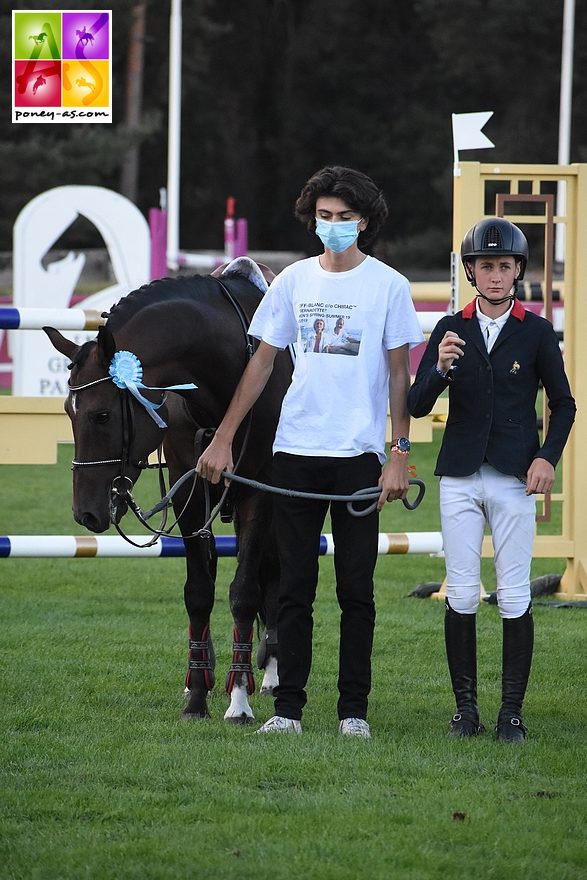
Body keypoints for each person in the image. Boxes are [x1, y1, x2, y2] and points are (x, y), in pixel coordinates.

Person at [196, 165, 424, 738]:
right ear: (312, 220)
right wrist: (223, 437)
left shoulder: (389, 286)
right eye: (324, 217)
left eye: (345, 218)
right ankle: (288, 710)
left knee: (356, 591)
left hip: (359, 458)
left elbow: (400, 377)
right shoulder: (292, 282)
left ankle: (354, 712)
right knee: (293, 588)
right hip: (294, 454)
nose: (333, 226)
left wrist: (399, 452)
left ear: (364, 222)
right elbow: (262, 363)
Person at [408, 217, 576, 742]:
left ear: (518, 270)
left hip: (513, 477)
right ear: (471, 271)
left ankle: (512, 713)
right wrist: (437, 369)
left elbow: (564, 404)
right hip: (459, 475)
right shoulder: (449, 328)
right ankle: (465, 711)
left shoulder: (537, 331)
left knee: (513, 593)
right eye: (486, 266)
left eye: (505, 266)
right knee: (460, 591)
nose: (496, 275)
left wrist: (548, 457)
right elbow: (416, 404)